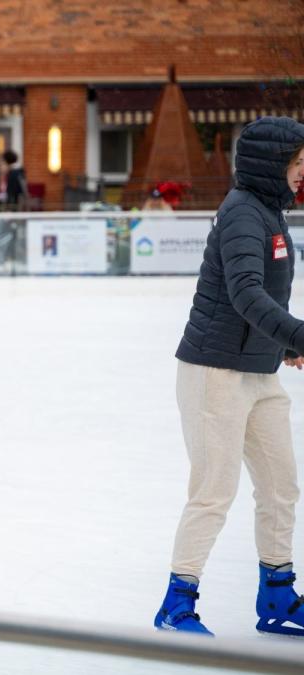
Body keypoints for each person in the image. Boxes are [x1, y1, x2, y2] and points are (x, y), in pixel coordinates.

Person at [156, 116, 304, 637]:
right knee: (214, 490)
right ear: (271, 164)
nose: (303, 171)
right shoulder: (244, 212)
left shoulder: (269, 212)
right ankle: (177, 604)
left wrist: (283, 341)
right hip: (213, 372)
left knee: (281, 485)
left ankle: (278, 596)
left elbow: (265, 295)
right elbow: (245, 294)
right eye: (297, 162)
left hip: (258, 373)